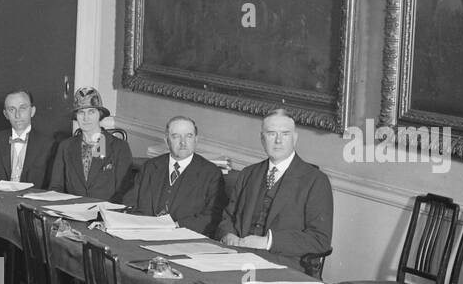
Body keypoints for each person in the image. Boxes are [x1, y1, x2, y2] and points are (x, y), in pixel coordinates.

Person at [214, 109, 333, 273]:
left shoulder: (315, 181)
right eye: (271, 134)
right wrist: (228, 235)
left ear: (295, 138)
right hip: (236, 258)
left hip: (283, 265)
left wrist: (267, 242)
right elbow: (228, 217)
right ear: (262, 139)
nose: (278, 141)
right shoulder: (248, 173)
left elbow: (320, 240)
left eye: (285, 134)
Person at [126, 115, 226, 236]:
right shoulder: (151, 167)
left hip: (185, 238)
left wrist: (176, 226)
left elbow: (212, 216)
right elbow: (130, 203)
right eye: (176, 136)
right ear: (167, 140)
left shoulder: (210, 173)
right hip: (144, 234)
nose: (183, 142)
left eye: (189, 136)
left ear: (196, 139)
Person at [48, 87, 132, 201]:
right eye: (81, 112)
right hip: (72, 211)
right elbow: (55, 187)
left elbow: (124, 192)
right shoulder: (66, 147)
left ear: (100, 114)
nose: (86, 118)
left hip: (106, 213)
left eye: (91, 112)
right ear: (76, 116)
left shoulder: (119, 147)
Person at [0, 89, 56, 185]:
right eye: (12, 109)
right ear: (6, 114)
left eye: (22, 108)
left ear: (32, 111)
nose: (17, 115)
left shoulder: (49, 144)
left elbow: (52, 185)